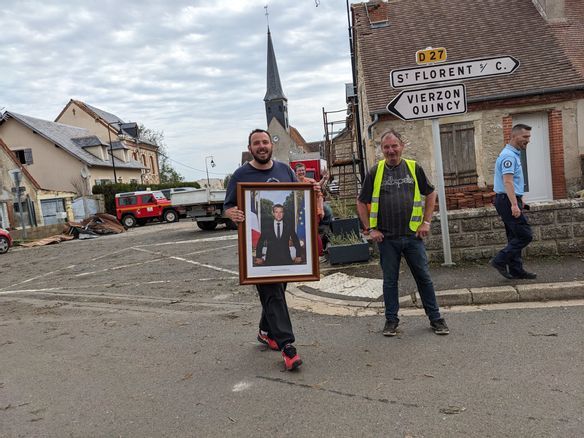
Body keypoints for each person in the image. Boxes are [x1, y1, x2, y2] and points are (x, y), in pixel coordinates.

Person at [356, 129, 449, 337]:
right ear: (381, 149)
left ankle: (436, 319)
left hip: (413, 237)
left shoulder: (414, 168)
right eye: (386, 147)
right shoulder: (375, 172)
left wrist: (426, 221)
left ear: (402, 146)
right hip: (387, 239)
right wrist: (371, 229)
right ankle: (391, 321)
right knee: (390, 282)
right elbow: (361, 201)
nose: (391, 151)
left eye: (394, 146)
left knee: (424, 278)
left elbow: (431, 192)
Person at [224, 128, 303, 371]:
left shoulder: (285, 170)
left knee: (277, 291)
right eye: (256, 143)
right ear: (250, 148)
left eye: (265, 142)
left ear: (271, 146)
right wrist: (230, 213)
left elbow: (300, 199)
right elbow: (228, 207)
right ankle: (287, 347)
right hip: (258, 248)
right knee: (272, 293)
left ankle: (266, 331)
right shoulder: (240, 175)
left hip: (284, 249)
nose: (261, 146)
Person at [490, 124, 536, 280]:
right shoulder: (509, 156)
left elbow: (513, 182)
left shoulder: (513, 153)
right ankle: (499, 260)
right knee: (525, 235)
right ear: (515, 136)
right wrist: (514, 204)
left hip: (508, 199)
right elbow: (507, 181)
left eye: (529, 137)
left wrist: (519, 198)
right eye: (525, 137)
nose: (528, 140)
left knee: (514, 236)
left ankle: (516, 270)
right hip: (506, 200)